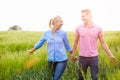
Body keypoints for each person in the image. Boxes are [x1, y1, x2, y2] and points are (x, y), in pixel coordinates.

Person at [71, 9, 117, 80]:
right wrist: (73, 53)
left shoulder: (98, 28)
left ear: (90, 16)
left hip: (94, 58)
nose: (81, 18)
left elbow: (103, 43)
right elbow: (75, 42)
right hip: (82, 58)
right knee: (81, 78)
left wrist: (110, 55)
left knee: (95, 78)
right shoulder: (79, 27)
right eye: (81, 16)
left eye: (83, 16)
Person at [28, 16, 72, 80]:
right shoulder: (46, 33)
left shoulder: (63, 33)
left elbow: (67, 45)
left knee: (56, 78)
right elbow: (40, 42)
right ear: (55, 22)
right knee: (50, 77)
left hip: (62, 59)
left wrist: (72, 54)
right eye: (61, 21)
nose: (62, 23)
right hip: (50, 59)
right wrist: (32, 50)